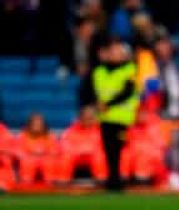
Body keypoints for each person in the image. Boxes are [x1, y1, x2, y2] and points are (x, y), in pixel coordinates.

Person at [91, 36, 139, 191]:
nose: (115, 53)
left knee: (120, 150)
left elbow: (127, 91)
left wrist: (107, 104)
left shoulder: (130, 69)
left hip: (123, 119)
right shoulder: (99, 71)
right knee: (109, 150)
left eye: (118, 50)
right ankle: (112, 180)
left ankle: (119, 179)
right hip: (105, 118)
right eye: (113, 50)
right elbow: (92, 91)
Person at [59, 107, 107, 184]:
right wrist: (79, 150)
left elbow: (104, 145)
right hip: (75, 155)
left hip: (94, 155)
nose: (87, 120)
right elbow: (64, 144)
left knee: (100, 155)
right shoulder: (71, 130)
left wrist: (90, 150)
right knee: (66, 156)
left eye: (90, 118)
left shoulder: (102, 130)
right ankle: (63, 181)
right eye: (85, 118)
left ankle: (101, 180)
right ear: (80, 118)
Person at [120, 110, 167, 185]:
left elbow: (160, 145)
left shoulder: (154, 125)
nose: (141, 116)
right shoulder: (131, 125)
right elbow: (125, 140)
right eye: (139, 114)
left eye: (143, 113)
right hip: (133, 151)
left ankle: (142, 179)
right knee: (124, 154)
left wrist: (140, 147)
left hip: (148, 155)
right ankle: (124, 178)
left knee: (143, 155)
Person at [16, 113, 60, 185]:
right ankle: (26, 184)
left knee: (49, 162)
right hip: (28, 159)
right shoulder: (22, 136)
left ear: (44, 126)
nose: (37, 127)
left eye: (39, 125)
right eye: (34, 125)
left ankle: (50, 184)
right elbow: (18, 151)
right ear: (29, 125)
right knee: (27, 162)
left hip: (46, 158)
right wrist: (31, 155)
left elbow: (55, 150)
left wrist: (45, 154)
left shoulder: (50, 135)